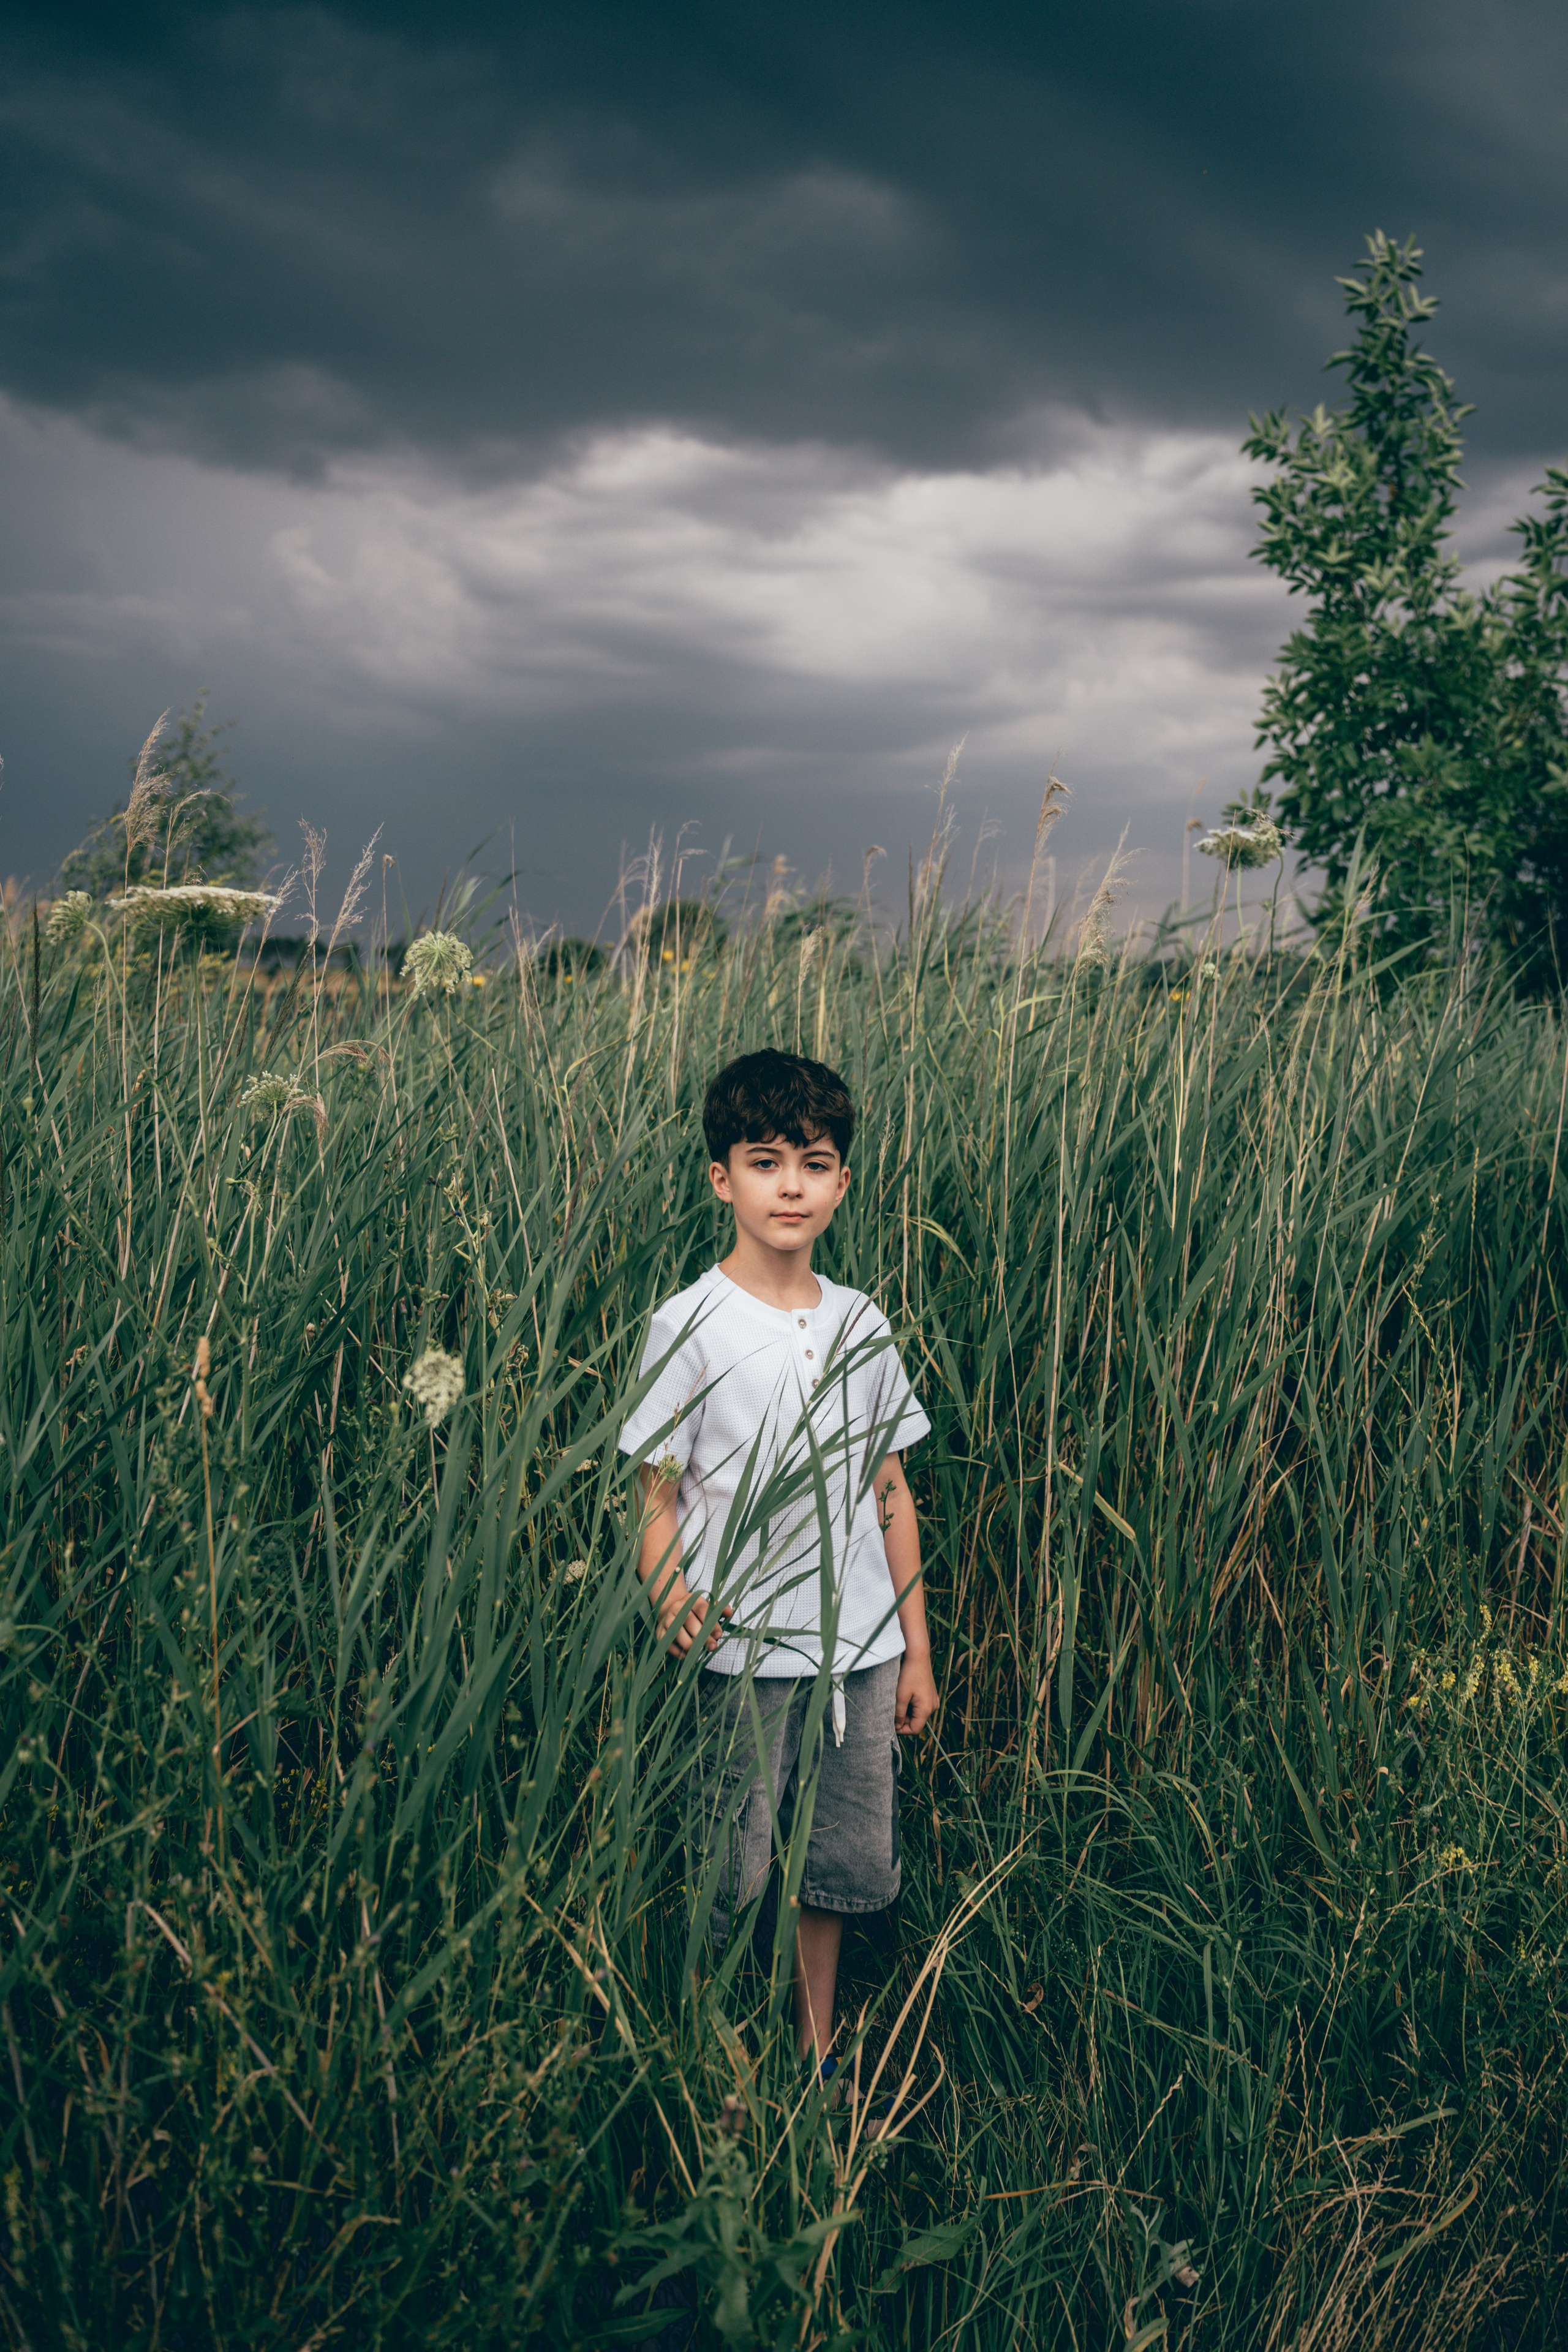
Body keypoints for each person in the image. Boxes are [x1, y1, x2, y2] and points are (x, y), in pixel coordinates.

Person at [619, 1047, 937, 2077]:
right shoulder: (692, 1324)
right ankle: (712, 2063)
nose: (790, 1184)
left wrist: (915, 1647)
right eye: (765, 1161)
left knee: (834, 1863)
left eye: (814, 1161)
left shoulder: (861, 1323)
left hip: (860, 1650)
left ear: (844, 1182)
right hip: (743, 1653)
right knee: (733, 1862)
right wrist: (672, 1595)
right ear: (723, 1180)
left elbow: (889, 1489)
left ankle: (815, 2055)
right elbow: (655, 1497)